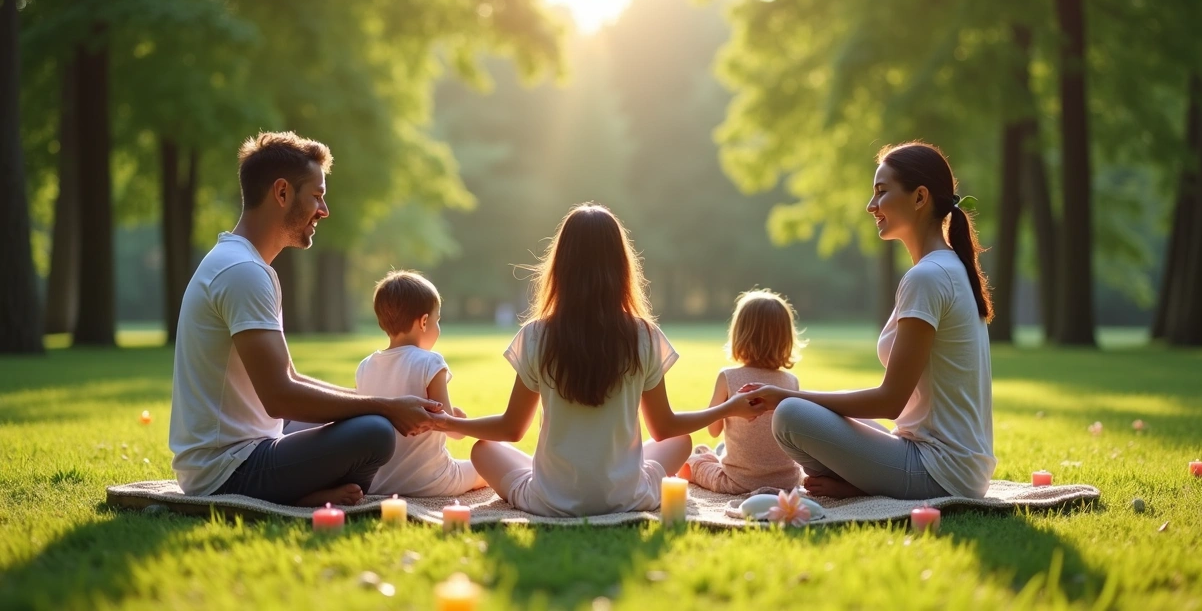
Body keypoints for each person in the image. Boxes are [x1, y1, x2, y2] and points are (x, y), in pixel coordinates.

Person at [431, 204, 764, 516]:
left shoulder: (537, 335)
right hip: (626, 496)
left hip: (551, 499)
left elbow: (511, 429)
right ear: (621, 266)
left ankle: (556, 474)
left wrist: (449, 422)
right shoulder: (643, 335)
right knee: (681, 441)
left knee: (482, 451)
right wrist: (729, 407)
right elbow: (664, 429)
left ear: (561, 266)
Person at [169, 131, 442, 506]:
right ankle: (300, 496)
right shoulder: (242, 272)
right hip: (227, 471)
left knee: (365, 419)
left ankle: (307, 492)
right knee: (375, 432)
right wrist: (385, 408)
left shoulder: (245, 265)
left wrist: (389, 401)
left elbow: (290, 378)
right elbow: (280, 397)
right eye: (317, 196)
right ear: (282, 193)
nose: (324, 210)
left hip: (253, 443)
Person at [742, 142, 996, 500]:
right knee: (818, 414)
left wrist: (787, 395)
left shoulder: (927, 277)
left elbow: (890, 401)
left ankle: (862, 486)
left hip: (940, 470)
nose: (870, 205)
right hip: (948, 463)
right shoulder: (945, 269)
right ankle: (862, 483)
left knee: (789, 415)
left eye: (881, 191)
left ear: (919, 197)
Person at [358, 270, 488, 497]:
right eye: (437, 321)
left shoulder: (365, 366)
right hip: (432, 481)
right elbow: (448, 426)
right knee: (487, 465)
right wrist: (460, 420)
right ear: (424, 321)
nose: (438, 327)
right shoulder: (431, 361)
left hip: (378, 484)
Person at [680, 290, 805, 495]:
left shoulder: (727, 377)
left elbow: (713, 430)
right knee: (720, 452)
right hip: (788, 482)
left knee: (697, 459)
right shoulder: (791, 382)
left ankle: (699, 463)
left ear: (740, 334)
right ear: (786, 339)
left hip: (739, 483)